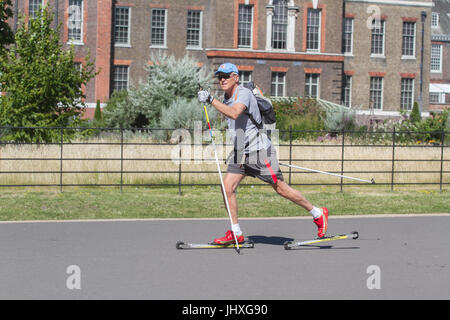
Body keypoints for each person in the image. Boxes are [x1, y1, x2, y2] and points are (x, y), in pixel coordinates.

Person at [198, 62, 328, 245]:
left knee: (281, 188)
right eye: (220, 77)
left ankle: (318, 213)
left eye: (226, 76)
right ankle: (236, 232)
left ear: (236, 77)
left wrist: (210, 100)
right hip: (241, 152)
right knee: (227, 186)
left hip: (259, 151)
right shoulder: (226, 97)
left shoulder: (242, 93)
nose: (222, 80)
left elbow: (235, 114)